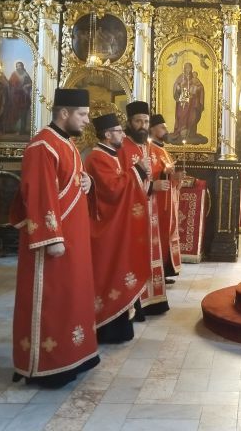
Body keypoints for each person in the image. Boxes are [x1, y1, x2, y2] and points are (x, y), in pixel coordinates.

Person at [9, 88, 99, 388]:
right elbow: (39, 194)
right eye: (83, 115)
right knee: (52, 299)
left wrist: (86, 182)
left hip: (74, 239)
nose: (87, 120)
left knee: (72, 296)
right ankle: (48, 363)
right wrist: (52, 237)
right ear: (64, 114)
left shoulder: (67, 144)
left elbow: (69, 181)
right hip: (52, 242)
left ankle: (74, 354)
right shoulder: (42, 146)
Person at [84, 113, 152, 344]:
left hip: (116, 225)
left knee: (120, 269)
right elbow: (113, 190)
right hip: (105, 227)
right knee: (109, 272)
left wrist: (135, 172)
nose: (123, 134)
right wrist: (138, 171)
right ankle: (107, 326)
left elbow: (119, 183)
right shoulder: (97, 157)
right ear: (106, 134)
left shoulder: (110, 155)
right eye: (119, 131)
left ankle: (121, 322)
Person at [118, 101, 168, 317]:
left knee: (151, 251)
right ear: (129, 122)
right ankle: (136, 303)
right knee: (136, 254)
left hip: (151, 209)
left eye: (146, 121)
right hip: (131, 212)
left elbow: (154, 172)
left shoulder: (147, 146)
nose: (143, 125)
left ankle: (152, 299)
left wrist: (161, 181)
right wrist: (151, 187)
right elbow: (120, 181)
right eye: (138, 121)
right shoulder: (121, 147)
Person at [148, 113, 182, 282]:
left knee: (167, 234)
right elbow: (149, 174)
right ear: (152, 129)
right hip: (157, 202)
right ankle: (157, 271)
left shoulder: (163, 149)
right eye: (162, 127)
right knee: (158, 236)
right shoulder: (148, 148)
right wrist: (164, 172)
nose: (166, 129)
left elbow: (170, 175)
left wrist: (176, 177)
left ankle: (164, 270)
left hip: (168, 200)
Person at [172, 63, 205, 143]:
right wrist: (178, 87)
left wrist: (197, 89)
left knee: (192, 116)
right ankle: (180, 132)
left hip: (192, 101)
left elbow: (200, 87)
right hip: (183, 100)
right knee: (181, 115)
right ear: (184, 69)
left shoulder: (194, 77)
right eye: (186, 68)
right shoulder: (181, 77)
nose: (188, 69)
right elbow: (176, 86)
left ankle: (190, 133)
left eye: (189, 68)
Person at [7, 61, 32, 135]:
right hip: (16, 97)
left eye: (20, 66)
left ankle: (22, 130)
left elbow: (30, 83)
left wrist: (26, 86)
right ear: (16, 67)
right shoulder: (14, 74)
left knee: (23, 113)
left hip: (24, 97)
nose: (19, 67)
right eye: (17, 66)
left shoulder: (25, 74)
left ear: (22, 66)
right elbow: (10, 84)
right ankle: (13, 129)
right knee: (15, 113)